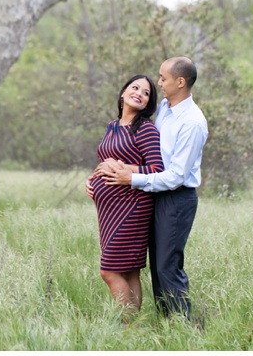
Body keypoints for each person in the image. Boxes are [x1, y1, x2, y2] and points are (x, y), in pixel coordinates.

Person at [93, 56, 208, 321]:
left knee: (167, 266)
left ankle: (182, 325)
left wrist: (131, 178)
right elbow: (147, 158)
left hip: (176, 198)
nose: (158, 83)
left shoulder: (192, 122)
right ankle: (164, 322)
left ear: (180, 82)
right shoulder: (167, 107)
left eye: (162, 78)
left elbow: (175, 175)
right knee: (155, 267)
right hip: (154, 194)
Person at [88, 74, 164, 316]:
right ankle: (135, 330)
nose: (139, 94)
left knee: (109, 271)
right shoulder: (112, 126)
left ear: (148, 103)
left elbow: (157, 170)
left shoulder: (145, 129)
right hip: (108, 211)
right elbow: (106, 159)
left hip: (132, 207)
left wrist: (126, 170)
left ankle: (126, 325)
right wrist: (92, 179)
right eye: (135, 88)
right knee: (129, 270)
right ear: (123, 92)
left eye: (146, 93)